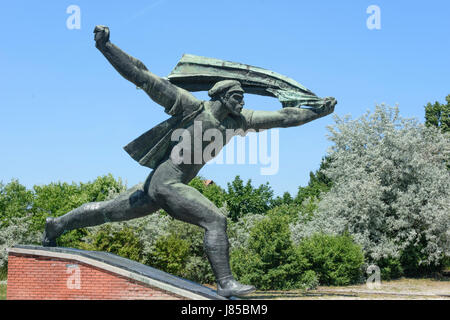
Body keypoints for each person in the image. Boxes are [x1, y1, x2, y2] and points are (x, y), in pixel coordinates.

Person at [42, 25, 337, 297]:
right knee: (215, 220)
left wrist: (318, 112)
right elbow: (142, 75)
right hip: (167, 182)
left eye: (243, 98)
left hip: (159, 187)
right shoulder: (191, 107)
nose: (242, 102)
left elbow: (285, 117)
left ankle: (57, 225)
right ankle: (225, 283)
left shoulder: (238, 121)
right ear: (220, 95)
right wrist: (107, 47)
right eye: (237, 96)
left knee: (107, 211)